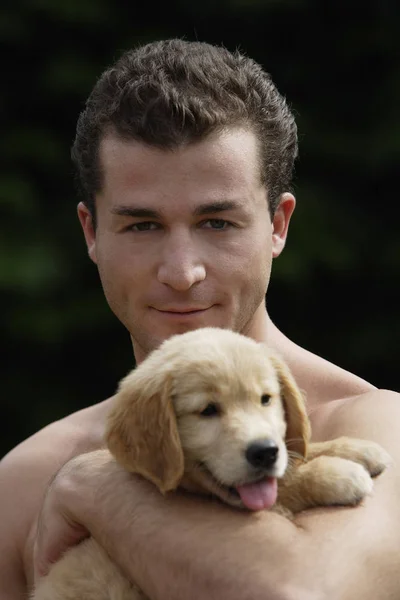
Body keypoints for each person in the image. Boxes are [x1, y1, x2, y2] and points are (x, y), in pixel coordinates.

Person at [1, 38, 399, 600]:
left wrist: (98, 486)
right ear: (91, 233)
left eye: (217, 223)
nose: (182, 272)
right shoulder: (23, 479)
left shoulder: (378, 430)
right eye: (142, 225)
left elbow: (299, 594)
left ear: (278, 225)